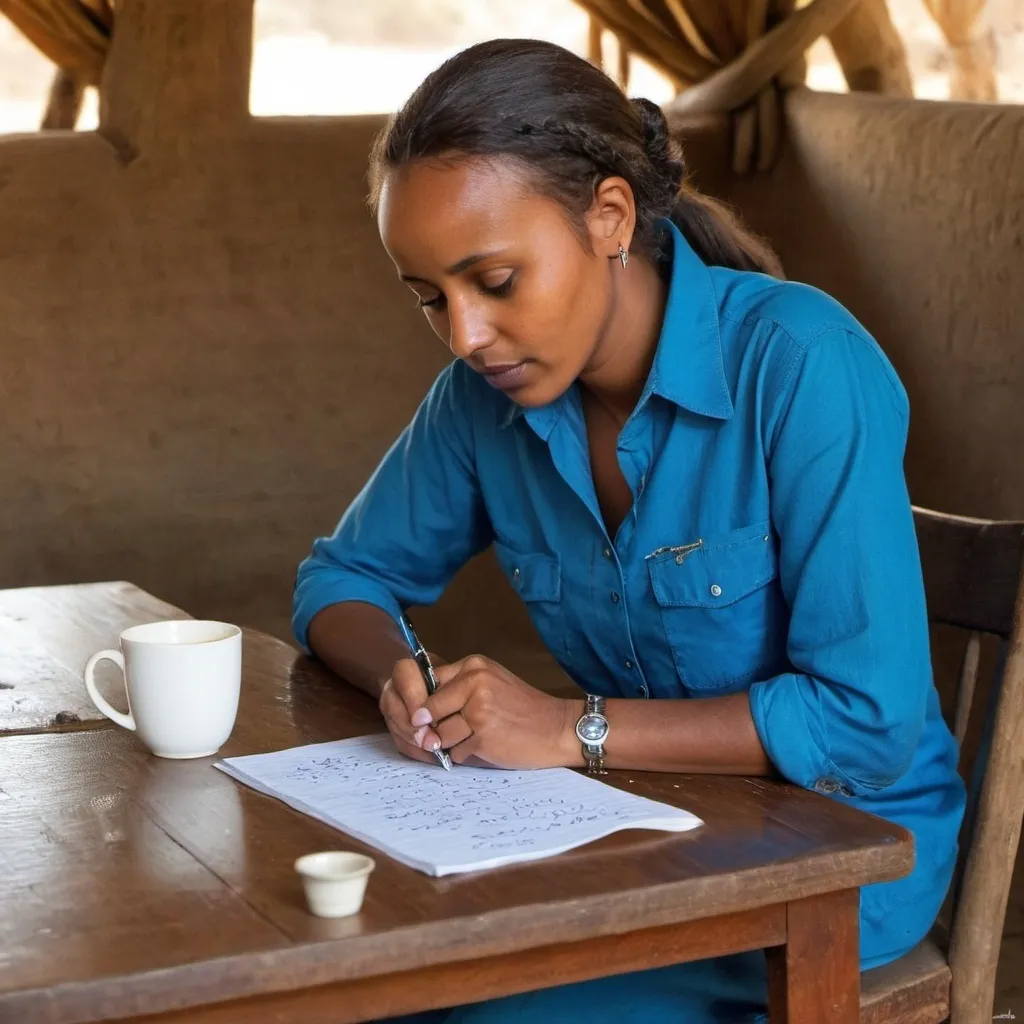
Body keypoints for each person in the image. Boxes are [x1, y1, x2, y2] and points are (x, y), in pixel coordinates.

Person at [292, 37, 965, 1024]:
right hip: (629, 831)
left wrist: (568, 728)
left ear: (608, 216)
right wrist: (408, 676)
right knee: (346, 970)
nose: (465, 335)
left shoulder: (800, 362)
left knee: (441, 1004)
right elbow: (340, 576)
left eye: (495, 280)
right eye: (430, 297)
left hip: (833, 857)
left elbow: (864, 721)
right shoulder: (478, 405)